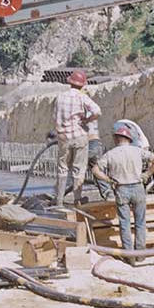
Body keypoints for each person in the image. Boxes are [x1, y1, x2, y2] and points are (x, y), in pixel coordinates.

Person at [92, 127, 154, 261]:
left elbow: (95, 170)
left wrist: (108, 179)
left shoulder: (111, 154)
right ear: (130, 139)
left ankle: (129, 257)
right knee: (140, 223)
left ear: (116, 139)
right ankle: (140, 254)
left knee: (125, 224)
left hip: (121, 188)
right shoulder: (138, 151)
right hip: (138, 187)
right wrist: (146, 174)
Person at [53, 69, 101, 206]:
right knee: (78, 168)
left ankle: (59, 201)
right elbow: (98, 111)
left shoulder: (60, 97)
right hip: (80, 136)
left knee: (62, 168)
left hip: (63, 137)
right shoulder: (82, 97)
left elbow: (55, 117)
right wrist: (86, 120)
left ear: (70, 82)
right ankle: (77, 200)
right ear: (82, 85)